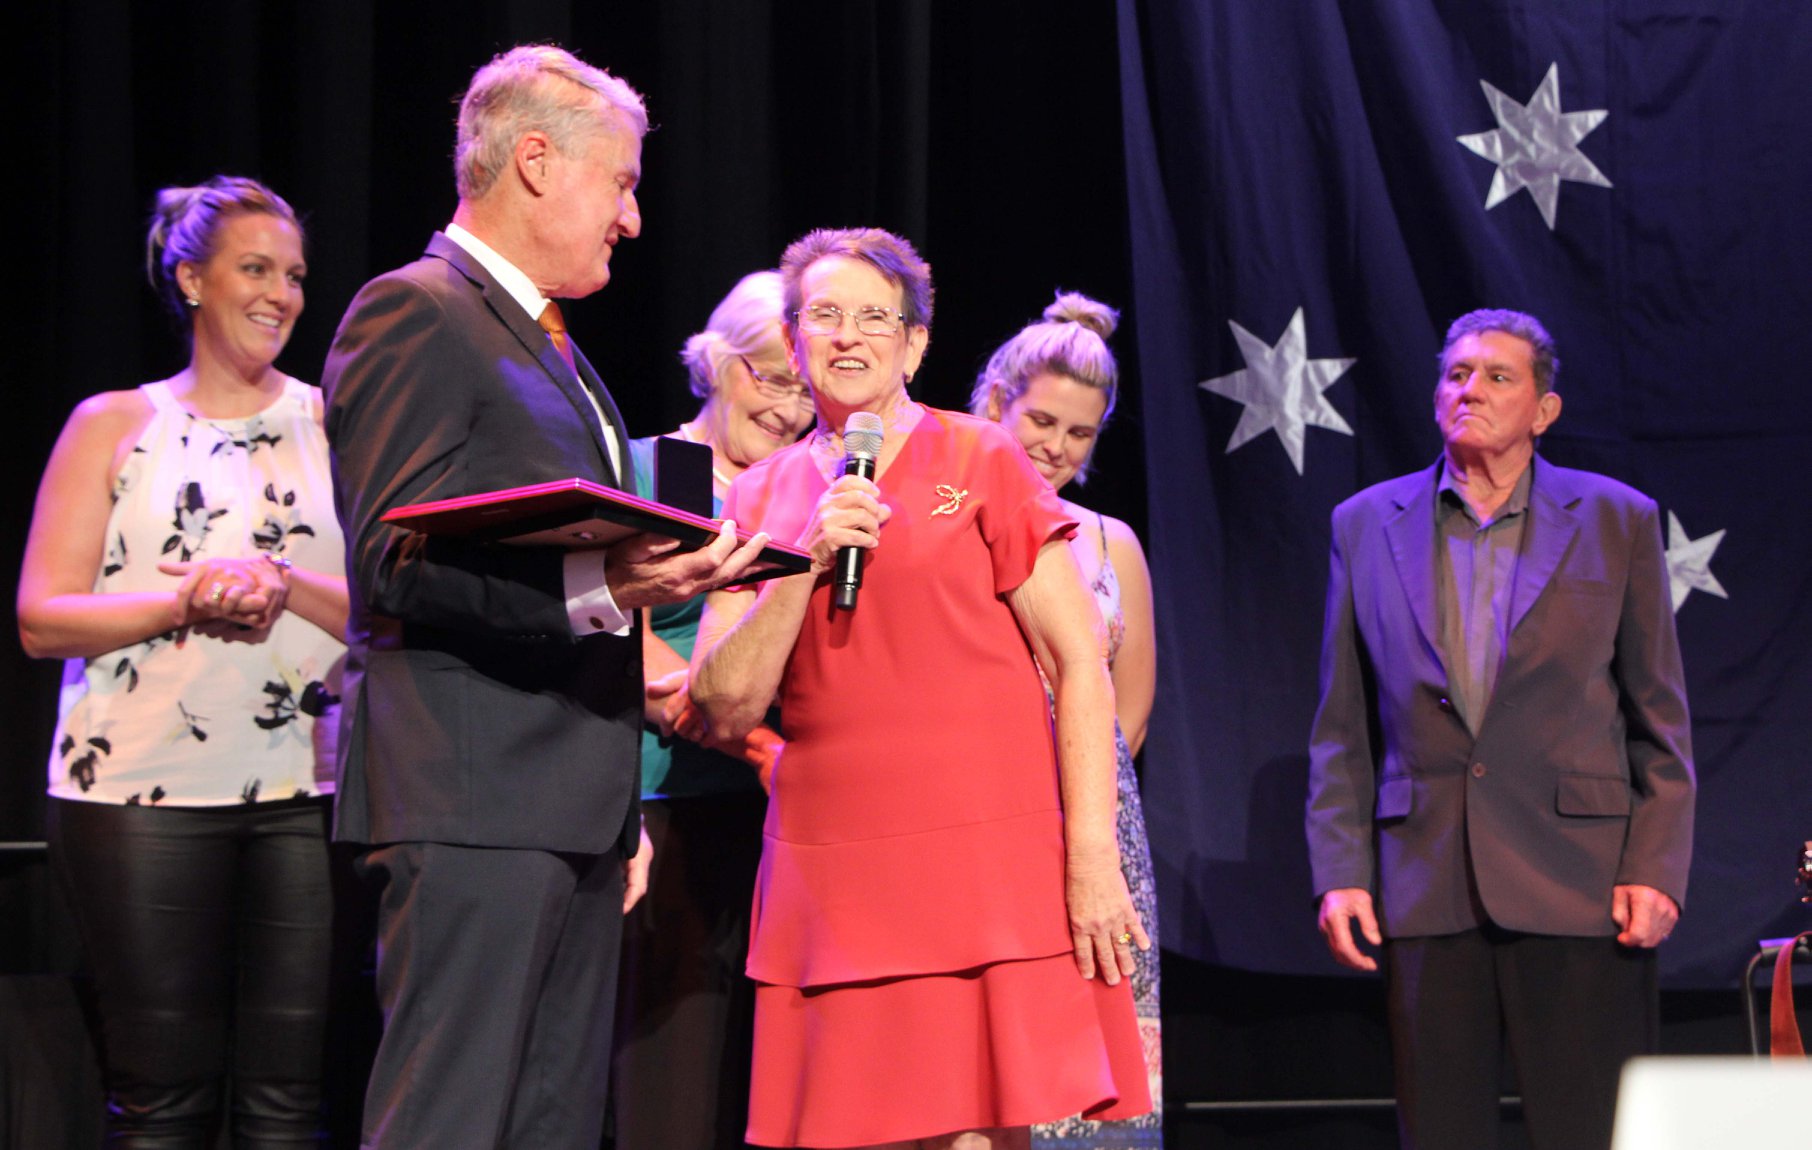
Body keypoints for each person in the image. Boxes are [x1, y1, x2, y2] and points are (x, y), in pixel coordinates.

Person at [321, 45, 767, 1150]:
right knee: (449, 1123)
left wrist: (614, 811)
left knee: (550, 1128)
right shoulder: (416, 310)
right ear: (535, 161)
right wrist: (604, 582)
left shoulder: (549, 343)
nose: (632, 218)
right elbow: (391, 560)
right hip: (473, 803)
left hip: (566, 811)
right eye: (621, 182)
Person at [691, 227, 1152, 1150]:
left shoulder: (982, 457)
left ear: (914, 344)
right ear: (794, 340)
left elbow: (1079, 663)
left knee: (973, 1133)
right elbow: (722, 704)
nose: (849, 335)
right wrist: (802, 562)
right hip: (834, 867)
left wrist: (1091, 855)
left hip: (985, 858)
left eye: (875, 317)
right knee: (844, 1127)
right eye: (825, 314)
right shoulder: (758, 497)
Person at [1304, 309, 1696, 1150]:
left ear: (1544, 410)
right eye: (1456, 374)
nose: (1469, 390)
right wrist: (1340, 873)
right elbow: (1342, 724)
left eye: (1496, 376)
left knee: (1591, 1131)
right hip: (1427, 877)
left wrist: (1656, 867)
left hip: (1581, 883)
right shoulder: (1364, 523)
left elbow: (1658, 716)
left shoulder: (1617, 519)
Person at [17, 175, 348, 1145]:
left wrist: (281, 584)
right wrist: (184, 600)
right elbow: (41, 617)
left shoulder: (334, 422)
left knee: (289, 1104)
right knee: (162, 1101)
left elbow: (387, 609)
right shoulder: (116, 423)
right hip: (138, 793)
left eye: (294, 275)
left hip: (307, 789)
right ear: (191, 278)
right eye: (256, 269)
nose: (281, 294)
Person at [612, 270, 811, 1150]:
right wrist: (756, 743)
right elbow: (624, 639)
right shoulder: (653, 470)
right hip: (677, 805)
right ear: (718, 361)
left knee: (762, 1087)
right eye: (772, 378)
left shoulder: (807, 487)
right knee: (675, 1083)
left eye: (806, 390)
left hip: (785, 815)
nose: (789, 409)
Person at [971, 292, 1162, 1150]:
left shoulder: (1110, 542)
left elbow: (1130, 710)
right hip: (981, 823)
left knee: (1094, 1076)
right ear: (995, 401)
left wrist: (1081, 819)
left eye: (1079, 433)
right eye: (1041, 421)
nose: (1055, 447)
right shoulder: (949, 522)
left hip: (1095, 834)